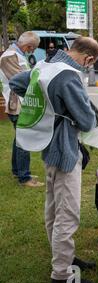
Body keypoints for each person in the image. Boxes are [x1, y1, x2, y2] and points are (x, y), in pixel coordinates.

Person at [9, 36, 98, 283]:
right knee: (67, 214)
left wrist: (48, 107)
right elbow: (87, 121)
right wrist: (60, 110)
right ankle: (61, 275)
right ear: (89, 59)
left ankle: (64, 257)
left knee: (53, 208)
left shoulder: (44, 66)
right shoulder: (69, 76)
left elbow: (16, 82)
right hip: (64, 151)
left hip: (48, 146)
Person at [0, 31, 43, 187]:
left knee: (19, 138)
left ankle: (17, 170)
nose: (32, 52)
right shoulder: (10, 56)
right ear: (28, 46)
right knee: (24, 139)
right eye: (32, 49)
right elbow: (22, 80)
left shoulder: (16, 55)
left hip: (18, 103)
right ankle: (24, 177)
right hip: (16, 105)